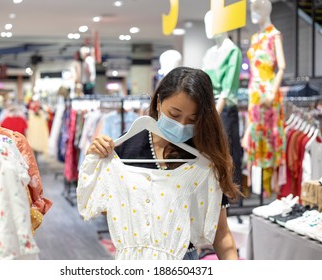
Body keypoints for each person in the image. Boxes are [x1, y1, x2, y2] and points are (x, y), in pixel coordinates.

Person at [78, 67, 240, 260]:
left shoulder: (204, 160)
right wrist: (96, 159)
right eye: (174, 114)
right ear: (158, 102)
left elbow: (221, 234)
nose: (181, 125)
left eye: (192, 120)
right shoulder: (125, 150)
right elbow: (109, 209)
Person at [244, 0, 286, 196]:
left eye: (257, 8)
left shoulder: (273, 35)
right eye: (252, 9)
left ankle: (269, 187)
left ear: (267, 9)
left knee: (268, 136)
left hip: (268, 91)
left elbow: (282, 67)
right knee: (255, 134)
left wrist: (272, 92)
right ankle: (258, 186)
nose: (253, 13)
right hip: (254, 92)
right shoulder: (254, 37)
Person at [202, 10, 243, 203]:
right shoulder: (210, 53)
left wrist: (215, 113)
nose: (207, 28)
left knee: (228, 151)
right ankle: (213, 194)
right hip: (209, 107)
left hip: (224, 109)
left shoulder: (233, 51)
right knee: (209, 150)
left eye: (211, 23)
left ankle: (231, 198)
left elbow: (227, 88)